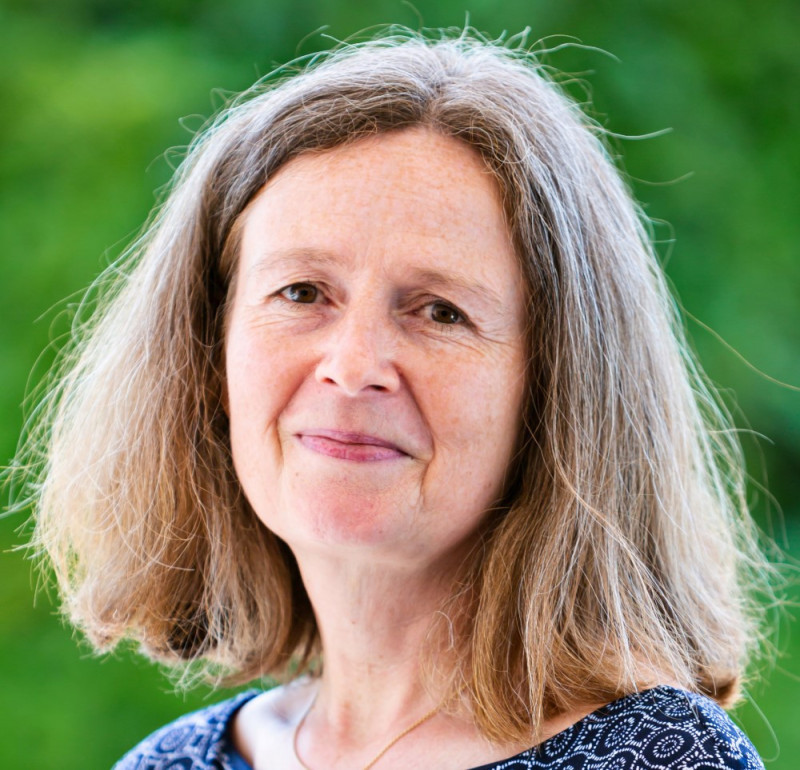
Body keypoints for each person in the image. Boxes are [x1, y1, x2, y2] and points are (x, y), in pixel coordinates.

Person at [17, 30, 770, 769]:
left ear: (556, 391)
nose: (353, 366)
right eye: (302, 292)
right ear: (206, 356)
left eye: (441, 311)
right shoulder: (168, 764)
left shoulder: (659, 759)